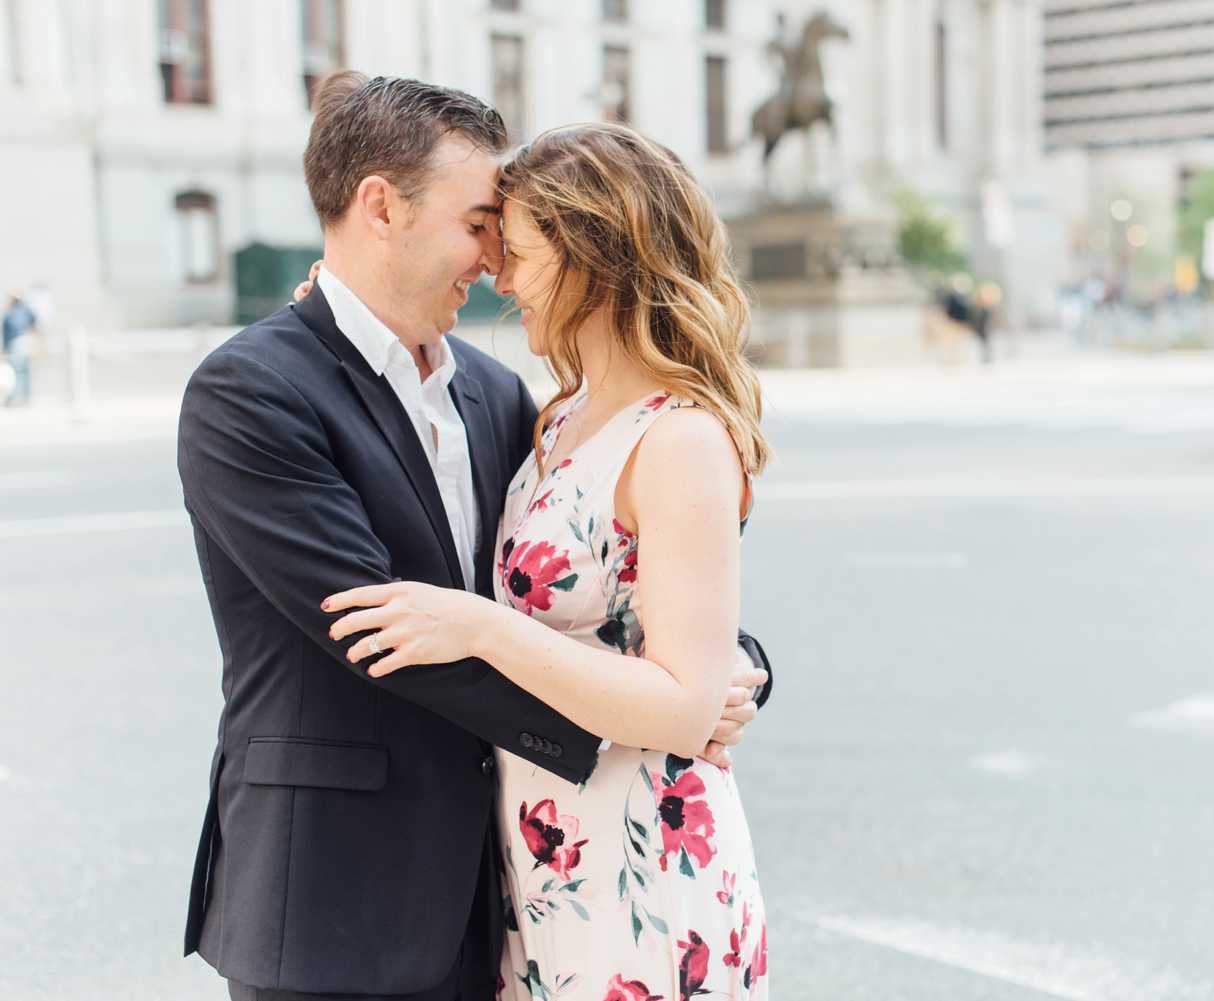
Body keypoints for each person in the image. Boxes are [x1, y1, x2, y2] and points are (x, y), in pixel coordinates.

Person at [177, 73, 771, 1001]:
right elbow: (387, 635)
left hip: (508, 892)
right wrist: (659, 711)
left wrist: (720, 670)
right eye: (478, 221)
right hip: (338, 902)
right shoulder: (252, 391)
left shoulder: (502, 401)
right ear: (382, 207)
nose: (494, 260)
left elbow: (600, 570)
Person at [0, 293, 36, 406]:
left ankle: (13, 397)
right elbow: (34, 321)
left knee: (15, 372)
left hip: (14, 343)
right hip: (25, 342)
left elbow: (5, 332)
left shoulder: (9, 313)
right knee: (24, 372)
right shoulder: (25, 311)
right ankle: (26, 397)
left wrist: (4, 349)